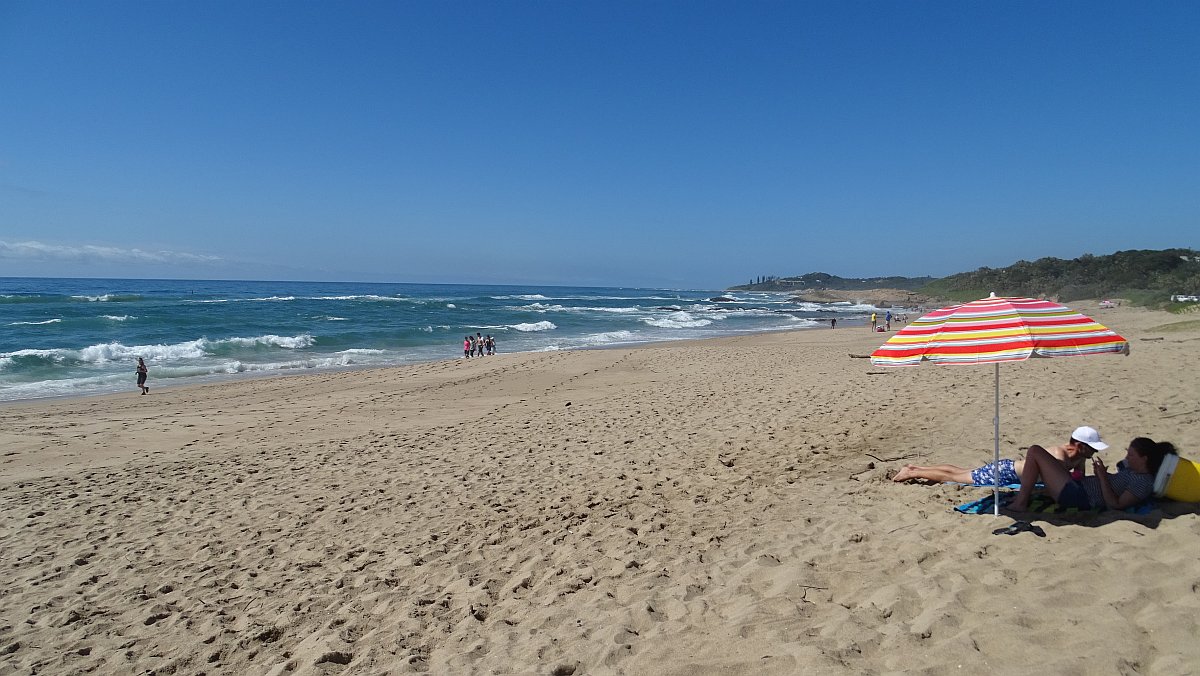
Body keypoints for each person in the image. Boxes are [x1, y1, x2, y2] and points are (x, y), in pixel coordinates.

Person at [892, 426, 1108, 485]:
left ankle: (916, 469)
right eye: (1092, 447)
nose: (1095, 451)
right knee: (956, 476)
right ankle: (912, 473)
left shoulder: (1079, 458)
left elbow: (1078, 478)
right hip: (1006, 473)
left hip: (1009, 469)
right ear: (1079, 445)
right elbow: (1063, 483)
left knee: (960, 471)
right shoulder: (1059, 455)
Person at [1009, 436, 1177, 512]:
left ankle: (1020, 503)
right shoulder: (1133, 470)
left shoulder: (1143, 482)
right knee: (1038, 457)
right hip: (1078, 488)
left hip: (1079, 496)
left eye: (1131, 455)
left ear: (1144, 459)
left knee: (1035, 451)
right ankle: (1023, 498)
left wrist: (1103, 476)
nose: (1127, 457)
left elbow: (1116, 504)